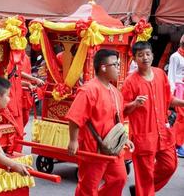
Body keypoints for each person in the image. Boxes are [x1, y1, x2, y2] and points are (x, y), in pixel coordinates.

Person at [66, 49, 134, 196]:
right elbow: (74, 117)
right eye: (115, 65)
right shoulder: (89, 90)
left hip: (113, 147)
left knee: (119, 178)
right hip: (93, 149)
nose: (118, 68)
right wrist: (73, 140)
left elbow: (118, 120)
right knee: (88, 186)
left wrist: (124, 139)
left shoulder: (116, 92)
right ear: (103, 67)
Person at [122, 41, 184, 196]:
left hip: (163, 133)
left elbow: (168, 99)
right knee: (144, 176)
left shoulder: (160, 74)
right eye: (140, 55)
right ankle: (143, 191)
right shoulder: (130, 81)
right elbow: (122, 109)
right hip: (144, 136)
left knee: (169, 165)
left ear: (152, 55)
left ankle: (140, 191)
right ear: (135, 59)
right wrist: (135, 104)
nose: (145, 58)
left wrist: (183, 102)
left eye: (148, 54)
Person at [167, 34, 184, 157]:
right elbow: (171, 76)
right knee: (179, 117)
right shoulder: (175, 57)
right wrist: (170, 93)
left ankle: (180, 143)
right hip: (178, 89)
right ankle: (176, 145)